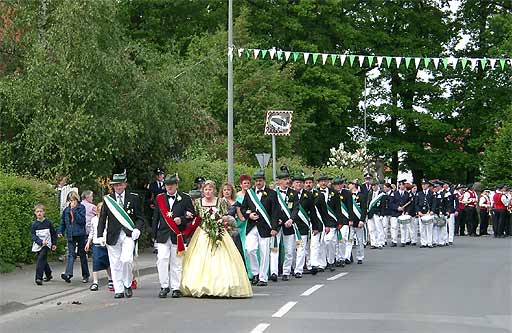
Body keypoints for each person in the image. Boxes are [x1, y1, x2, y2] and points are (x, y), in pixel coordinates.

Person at [180, 180, 252, 298]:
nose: (208, 192)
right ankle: (200, 285)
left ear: (214, 190)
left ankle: (222, 285)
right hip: (203, 233)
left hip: (218, 232)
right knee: (200, 259)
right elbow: (195, 217)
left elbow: (225, 216)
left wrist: (224, 221)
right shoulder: (198, 202)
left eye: (210, 189)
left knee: (222, 258)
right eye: (206, 190)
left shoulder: (221, 202)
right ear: (203, 191)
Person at [97, 171, 144, 299]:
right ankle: (119, 289)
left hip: (128, 234)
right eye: (116, 185)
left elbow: (140, 217)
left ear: (125, 184)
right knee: (115, 263)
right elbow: (102, 218)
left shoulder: (133, 197)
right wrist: (100, 235)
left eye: (120, 184)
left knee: (126, 260)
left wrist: (138, 229)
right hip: (113, 235)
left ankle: (127, 283)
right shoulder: (108, 200)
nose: (118, 187)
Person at [152, 173, 194, 298]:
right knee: (162, 260)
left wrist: (182, 219)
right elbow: (156, 218)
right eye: (167, 185)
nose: (169, 187)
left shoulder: (185, 198)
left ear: (176, 185)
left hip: (178, 235)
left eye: (171, 185)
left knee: (177, 263)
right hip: (163, 234)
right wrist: (153, 235)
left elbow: (192, 215)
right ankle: (164, 286)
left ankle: (176, 288)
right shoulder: (160, 198)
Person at [241, 169, 278, 286]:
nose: (258, 183)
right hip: (252, 226)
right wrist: (249, 215)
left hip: (266, 227)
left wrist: (274, 228)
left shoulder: (272, 193)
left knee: (264, 253)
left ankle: (263, 278)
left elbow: (275, 212)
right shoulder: (249, 193)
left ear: (264, 181)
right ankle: (255, 273)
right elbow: (243, 208)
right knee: (249, 250)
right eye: (256, 181)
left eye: (260, 181)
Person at [58, 191, 90, 283]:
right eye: (70, 200)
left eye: (74, 200)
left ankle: (85, 275)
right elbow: (63, 222)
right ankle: (68, 273)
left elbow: (82, 221)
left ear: (77, 200)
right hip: (70, 234)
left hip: (80, 234)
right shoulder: (66, 210)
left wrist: (74, 211)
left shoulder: (81, 208)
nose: (72, 202)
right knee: (71, 254)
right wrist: (60, 231)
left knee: (82, 255)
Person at [274, 169, 299, 281]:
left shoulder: (293, 193)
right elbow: (272, 209)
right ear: (279, 181)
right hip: (277, 224)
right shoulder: (274, 193)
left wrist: (291, 219)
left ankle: (286, 272)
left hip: (289, 224)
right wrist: (276, 220)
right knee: (274, 248)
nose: (287, 181)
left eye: (288, 179)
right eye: (284, 179)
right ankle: (274, 272)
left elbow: (296, 208)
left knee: (289, 250)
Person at [85, 202, 113, 292]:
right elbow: (92, 232)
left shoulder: (108, 220)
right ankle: (95, 282)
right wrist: (88, 242)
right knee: (96, 263)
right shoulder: (94, 220)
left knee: (108, 263)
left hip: (106, 244)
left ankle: (111, 279)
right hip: (96, 244)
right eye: (99, 210)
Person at [31, 204, 57, 285]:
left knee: (40, 259)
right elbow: (33, 236)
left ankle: (39, 278)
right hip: (39, 244)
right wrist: (40, 241)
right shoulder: (34, 224)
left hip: (47, 244)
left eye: (41, 211)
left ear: (44, 212)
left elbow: (53, 234)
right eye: (37, 212)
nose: (39, 213)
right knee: (43, 260)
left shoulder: (48, 223)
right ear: (35, 213)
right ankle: (48, 274)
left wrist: (54, 244)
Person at [219, 182, 245, 262]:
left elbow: (241, 218)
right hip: (222, 229)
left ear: (232, 191)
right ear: (222, 191)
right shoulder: (218, 202)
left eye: (228, 190)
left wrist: (249, 213)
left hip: (233, 230)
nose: (227, 191)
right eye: (225, 190)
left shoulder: (236, 203)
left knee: (236, 250)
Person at [235, 175, 253, 277]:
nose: (246, 185)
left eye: (248, 183)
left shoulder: (252, 194)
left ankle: (253, 272)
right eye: (244, 183)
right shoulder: (237, 196)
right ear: (241, 184)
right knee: (242, 248)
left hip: (249, 222)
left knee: (251, 249)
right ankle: (245, 272)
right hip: (240, 224)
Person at [366, 180, 385, 249]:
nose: (373, 187)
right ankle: (374, 243)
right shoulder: (370, 193)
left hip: (378, 213)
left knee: (379, 229)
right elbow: (368, 203)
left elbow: (383, 205)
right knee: (371, 229)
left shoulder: (381, 194)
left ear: (377, 185)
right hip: (371, 213)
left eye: (374, 185)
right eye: (372, 185)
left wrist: (382, 214)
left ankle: (380, 242)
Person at [416, 179, 434, 248]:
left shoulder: (431, 193)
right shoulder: (419, 193)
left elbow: (434, 203)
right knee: (422, 229)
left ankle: (429, 242)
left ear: (428, 185)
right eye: (422, 184)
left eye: (425, 184)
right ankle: (423, 242)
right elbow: (416, 204)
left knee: (429, 228)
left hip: (429, 212)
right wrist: (418, 212)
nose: (423, 186)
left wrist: (432, 211)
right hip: (421, 213)